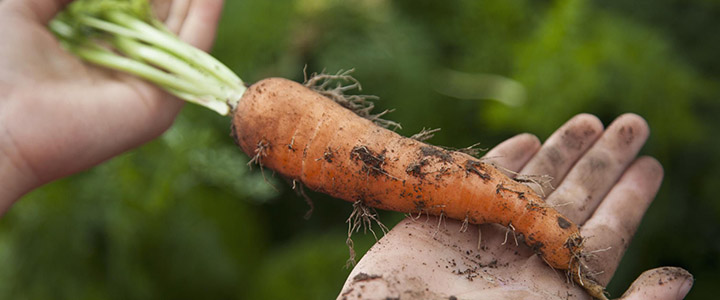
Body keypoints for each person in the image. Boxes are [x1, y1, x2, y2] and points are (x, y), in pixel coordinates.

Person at [0, 1, 692, 299]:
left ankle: (534, 217)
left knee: (451, 179)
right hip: (258, 108)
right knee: (442, 178)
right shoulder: (263, 112)